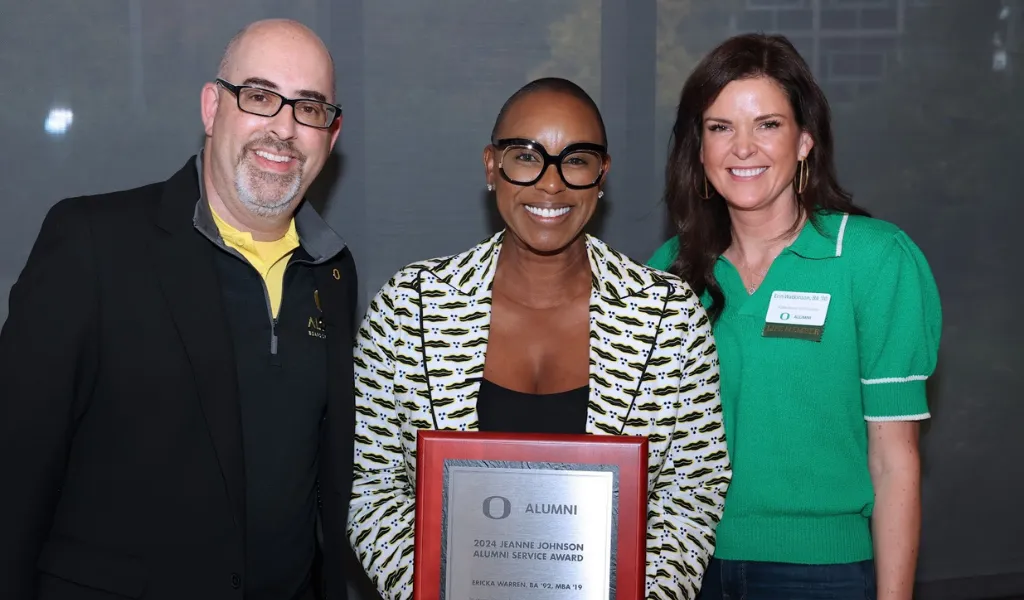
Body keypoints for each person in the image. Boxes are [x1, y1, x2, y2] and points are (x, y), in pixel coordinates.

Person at [0, 19, 357, 600]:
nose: (283, 128)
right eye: (260, 96)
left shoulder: (333, 271)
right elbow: (12, 475)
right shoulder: (94, 244)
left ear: (331, 134)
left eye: (309, 108)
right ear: (212, 108)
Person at [348, 77, 731, 600]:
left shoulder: (667, 316)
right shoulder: (409, 306)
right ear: (491, 165)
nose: (551, 184)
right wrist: (433, 591)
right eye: (526, 156)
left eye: (576, 160)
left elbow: (692, 490)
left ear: (602, 175)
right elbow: (372, 484)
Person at [647, 34, 942, 600]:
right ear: (699, 146)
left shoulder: (874, 260)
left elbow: (893, 460)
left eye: (767, 124)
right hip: (684, 568)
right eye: (720, 126)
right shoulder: (669, 272)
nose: (742, 148)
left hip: (822, 575)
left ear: (805, 139)